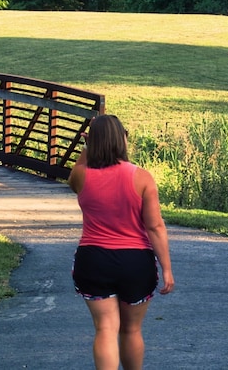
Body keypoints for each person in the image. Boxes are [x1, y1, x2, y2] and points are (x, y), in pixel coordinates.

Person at [69, 114, 174, 370]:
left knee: (105, 328)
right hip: (135, 262)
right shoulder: (142, 178)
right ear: (123, 139)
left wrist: (86, 147)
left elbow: (73, 174)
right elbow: (154, 226)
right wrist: (167, 268)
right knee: (131, 330)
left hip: (93, 259)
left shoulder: (81, 176)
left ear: (93, 143)